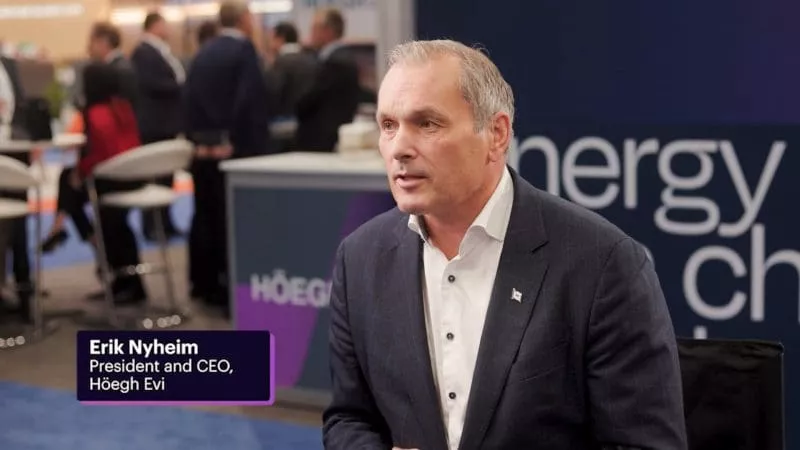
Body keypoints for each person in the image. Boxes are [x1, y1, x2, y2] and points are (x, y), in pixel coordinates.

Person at [322, 40, 687, 450]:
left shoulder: (602, 265)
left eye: (427, 124)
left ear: (496, 134)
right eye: (388, 125)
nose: (398, 149)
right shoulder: (360, 259)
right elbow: (349, 417)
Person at [183, 0, 275, 312]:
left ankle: (205, 285)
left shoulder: (202, 53)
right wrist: (252, 151)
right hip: (236, 154)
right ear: (244, 20)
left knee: (205, 217)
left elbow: (188, 101)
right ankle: (233, 294)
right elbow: (250, 104)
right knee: (234, 224)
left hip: (202, 153)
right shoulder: (244, 52)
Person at [41, 62, 146, 304]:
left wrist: (81, 170)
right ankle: (69, 230)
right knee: (69, 182)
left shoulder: (96, 113)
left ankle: (64, 229)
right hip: (133, 176)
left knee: (70, 185)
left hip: (112, 180)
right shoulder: (123, 107)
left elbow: (102, 154)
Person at [131, 11, 185, 240]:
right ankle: (152, 226)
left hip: (166, 124)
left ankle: (166, 222)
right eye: (164, 24)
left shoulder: (160, 51)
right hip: (153, 125)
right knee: (152, 178)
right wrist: (179, 86)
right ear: (155, 25)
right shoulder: (143, 52)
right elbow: (150, 84)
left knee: (166, 177)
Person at [294, 8, 360, 152]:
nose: (310, 33)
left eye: (314, 28)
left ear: (327, 31)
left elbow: (309, 100)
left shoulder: (334, 63)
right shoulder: (342, 58)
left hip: (321, 144)